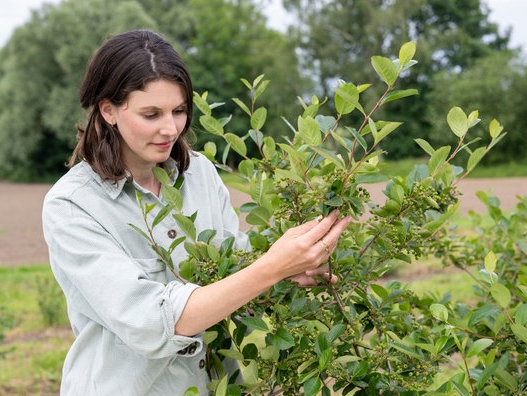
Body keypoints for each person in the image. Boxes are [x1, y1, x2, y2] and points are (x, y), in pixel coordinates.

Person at [42, 29, 350, 396]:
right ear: (108, 110)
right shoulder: (73, 206)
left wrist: (290, 269)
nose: (170, 128)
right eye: (151, 114)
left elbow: (230, 268)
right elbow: (152, 324)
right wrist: (272, 267)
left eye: (179, 110)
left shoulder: (200, 173)